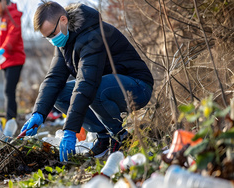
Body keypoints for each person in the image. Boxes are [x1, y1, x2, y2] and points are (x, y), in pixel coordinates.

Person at [21, 1, 154, 161]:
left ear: (63, 20)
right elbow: (54, 79)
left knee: (93, 89)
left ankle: (120, 137)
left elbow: (87, 83)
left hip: (137, 86)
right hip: (106, 86)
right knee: (58, 94)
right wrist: (39, 113)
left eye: (52, 34)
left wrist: (70, 130)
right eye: (47, 37)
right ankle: (104, 136)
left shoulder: (93, 35)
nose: (51, 40)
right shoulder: (64, 42)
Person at [0, 0, 26, 124]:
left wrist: (3, 49)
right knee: (7, 90)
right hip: (4, 60)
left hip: (15, 58)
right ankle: (10, 117)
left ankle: (11, 119)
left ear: (3, 2)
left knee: (9, 90)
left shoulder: (14, 14)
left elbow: (13, 35)